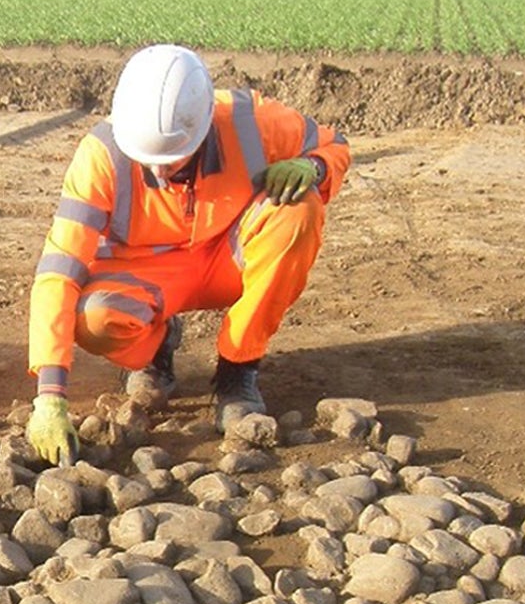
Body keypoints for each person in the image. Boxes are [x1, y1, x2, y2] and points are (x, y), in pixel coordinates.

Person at [26, 44, 350, 464]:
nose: (159, 171)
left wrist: (315, 167)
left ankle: (238, 371)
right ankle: (157, 349)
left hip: (228, 256)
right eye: (148, 159)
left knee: (299, 208)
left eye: (172, 158)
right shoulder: (100, 156)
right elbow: (59, 269)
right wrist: (49, 396)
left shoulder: (250, 121)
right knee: (94, 320)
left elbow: (335, 145)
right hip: (148, 272)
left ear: (200, 130)